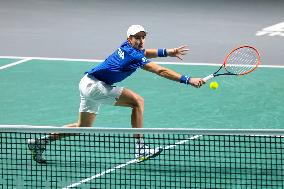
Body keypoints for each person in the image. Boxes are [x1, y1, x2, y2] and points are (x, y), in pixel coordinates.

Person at [27, 25, 205, 163]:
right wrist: (187, 79)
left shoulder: (127, 47)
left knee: (83, 127)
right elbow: (160, 71)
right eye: (137, 38)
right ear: (129, 39)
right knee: (137, 102)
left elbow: (145, 52)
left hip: (87, 82)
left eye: (143, 37)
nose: (141, 41)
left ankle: (41, 142)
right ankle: (141, 148)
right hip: (95, 86)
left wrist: (168, 52)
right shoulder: (134, 56)